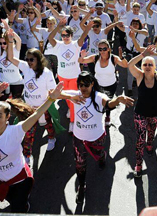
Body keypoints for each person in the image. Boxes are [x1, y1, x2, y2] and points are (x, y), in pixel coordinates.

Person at [0, 81, 73, 212]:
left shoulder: (15, 131)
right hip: (1, 181)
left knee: (18, 209)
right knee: (12, 201)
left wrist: (51, 98)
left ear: (7, 117)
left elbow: (36, 115)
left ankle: (24, 206)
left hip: (20, 182)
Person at [55, 72, 134, 204]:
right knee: (80, 165)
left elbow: (109, 104)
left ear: (92, 84)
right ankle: (81, 187)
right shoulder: (76, 95)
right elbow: (54, 94)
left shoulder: (98, 97)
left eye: (86, 84)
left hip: (97, 138)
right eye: (80, 85)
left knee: (98, 154)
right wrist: (70, 96)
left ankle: (102, 157)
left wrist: (118, 100)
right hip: (79, 139)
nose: (83, 88)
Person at [5, 33, 60, 158]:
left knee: (48, 125)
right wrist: (9, 41)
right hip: (29, 108)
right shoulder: (25, 67)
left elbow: (53, 91)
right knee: (29, 133)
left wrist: (55, 95)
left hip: (42, 107)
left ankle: (52, 138)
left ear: (38, 60)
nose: (29, 62)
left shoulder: (46, 73)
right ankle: (27, 156)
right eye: (27, 59)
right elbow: (11, 58)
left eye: (32, 59)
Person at [127, 45, 157, 177]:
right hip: (140, 114)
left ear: (155, 66)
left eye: (150, 64)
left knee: (151, 132)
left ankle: (150, 144)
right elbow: (130, 65)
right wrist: (142, 55)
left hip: (155, 113)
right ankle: (138, 164)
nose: (147, 66)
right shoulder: (139, 76)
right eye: (145, 64)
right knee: (140, 139)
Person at [47, 18, 88, 132]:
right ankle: (70, 109)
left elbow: (84, 36)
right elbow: (50, 38)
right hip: (62, 77)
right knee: (66, 98)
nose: (65, 37)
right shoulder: (58, 45)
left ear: (71, 35)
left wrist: (88, 26)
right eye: (63, 35)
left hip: (74, 77)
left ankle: (72, 122)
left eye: (67, 35)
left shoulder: (76, 44)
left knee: (74, 98)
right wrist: (58, 26)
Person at [78, 39, 128, 126]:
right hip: (98, 85)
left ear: (108, 49)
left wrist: (122, 57)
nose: (102, 51)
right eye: (100, 49)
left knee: (108, 103)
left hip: (111, 85)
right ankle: (98, 116)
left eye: (104, 49)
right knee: (97, 102)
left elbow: (125, 65)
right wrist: (82, 56)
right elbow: (81, 61)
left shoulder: (114, 58)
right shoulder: (95, 57)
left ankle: (107, 116)